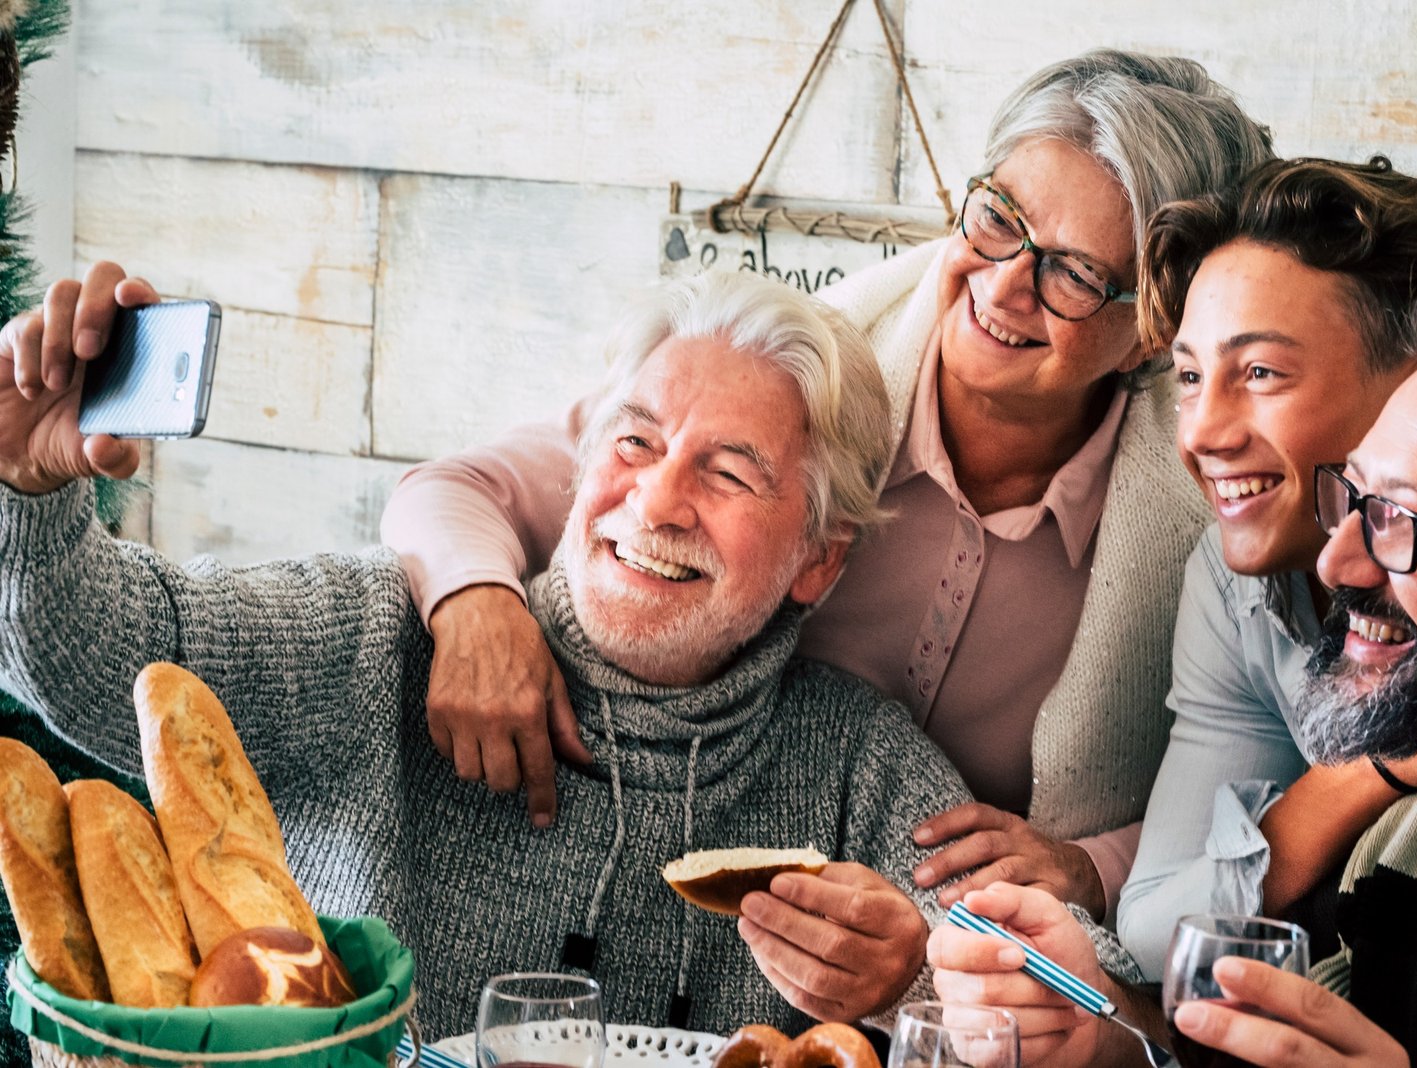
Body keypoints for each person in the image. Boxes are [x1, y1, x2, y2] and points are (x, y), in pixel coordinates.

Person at [379, 50, 1276, 926]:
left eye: (1075, 273)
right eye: (998, 217)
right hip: (694, 921)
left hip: (967, 972)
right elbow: (462, 489)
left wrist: (1096, 867)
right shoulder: (801, 373)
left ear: (1158, 329)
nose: (1003, 286)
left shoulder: (1210, 510)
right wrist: (478, 605)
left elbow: (1260, 784)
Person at [0, 268, 975, 1039]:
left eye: (727, 473)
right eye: (635, 443)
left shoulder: (855, 763)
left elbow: (1059, 983)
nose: (658, 503)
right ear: (584, 459)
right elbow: (104, 655)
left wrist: (913, 978)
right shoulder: (376, 637)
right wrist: (24, 487)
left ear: (818, 558)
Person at [926, 262, 1417, 1067]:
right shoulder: (1395, 853)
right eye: (1351, 501)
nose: (1337, 566)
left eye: (1402, 522)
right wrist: (1102, 1033)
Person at [1114, 156, 1417, 976]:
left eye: (1258, 373)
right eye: (1188, 376)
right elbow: (1153, 931)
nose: (1203, 432)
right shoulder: (1234, 580)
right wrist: (1365, 774)